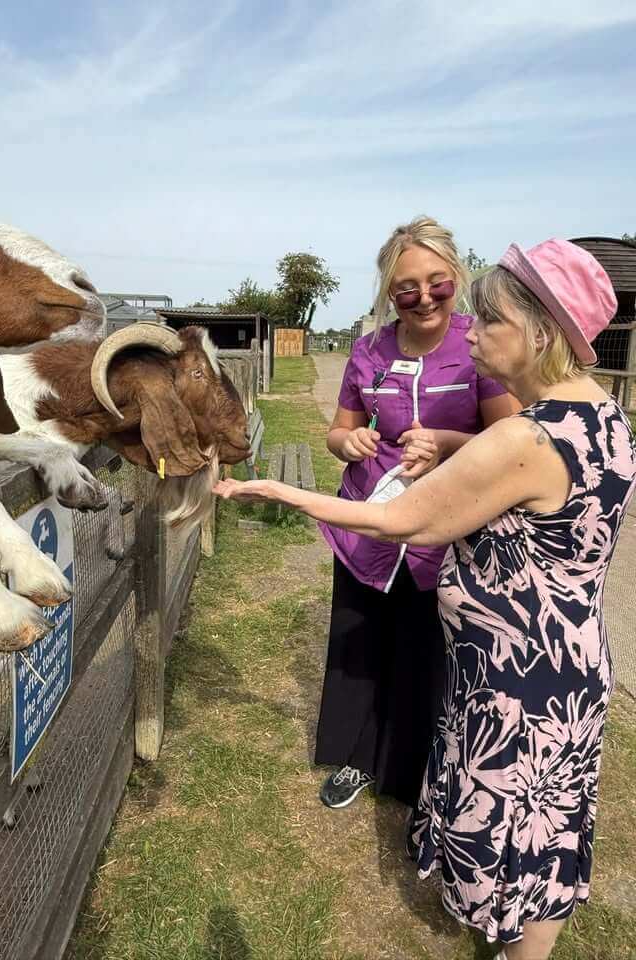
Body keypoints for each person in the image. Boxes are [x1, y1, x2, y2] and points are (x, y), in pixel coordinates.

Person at [214, 238, 636, 959]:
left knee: (509, 835)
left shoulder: (529, 438)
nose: (476, 333)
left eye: (492, 320)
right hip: (567, 665)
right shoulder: (603, 417)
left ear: (539, 333)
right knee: (549, 837)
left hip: (517, 685)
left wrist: (275, 488)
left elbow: (400, 520)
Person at [314, 216, 517, 811]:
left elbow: (509, 437)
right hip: (370, 524)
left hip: (444, 529)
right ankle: (355, 757)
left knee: (424, 647)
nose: (422, 297)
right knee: (361, 641)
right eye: (406, 288)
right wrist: (346, 444)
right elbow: (339, 430)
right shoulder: (367, 350)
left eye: (437, 283)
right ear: (388, 293)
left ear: (456, 280)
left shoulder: (477, 343)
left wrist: (449, 445)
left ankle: (410, 770)